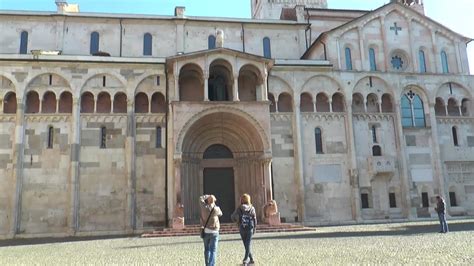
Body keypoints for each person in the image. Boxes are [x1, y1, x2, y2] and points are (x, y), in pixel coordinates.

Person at [231, 193, 257, 265]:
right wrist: (255, 227)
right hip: (250, 227)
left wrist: (237, 221)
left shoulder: (239, 208)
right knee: (247, 244)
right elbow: (255, 219)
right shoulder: (252, 208)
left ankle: (246, 260)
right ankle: (249, 259)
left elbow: (232, 216)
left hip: (242, 227)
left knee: (246, 244)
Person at [200, 194, 223, 266]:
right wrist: (213, 202)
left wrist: (208, 196)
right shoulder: (216, 208)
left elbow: (200, 198)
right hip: (214, 231)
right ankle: (211, 265)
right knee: (213, 250)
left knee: (207, 249)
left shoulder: (203, 207)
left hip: (206, 230)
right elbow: (221, 214)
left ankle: (207, 264)